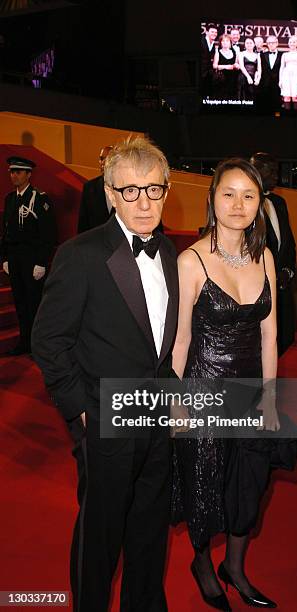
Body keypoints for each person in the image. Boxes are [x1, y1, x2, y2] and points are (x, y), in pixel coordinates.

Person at [31, 136, 179, 612]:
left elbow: (159, 345)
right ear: (112, 194)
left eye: (153, 189)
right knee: (100, 537)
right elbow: (49, 341)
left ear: (166, 190)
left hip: (157, 421)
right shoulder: (81, 255)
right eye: (130, 191)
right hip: (105, 419)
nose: (143, 202)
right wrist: (80, 412)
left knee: (150, 530)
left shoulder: (172, 253)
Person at [171, 158, 297, 611]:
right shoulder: (190, 260)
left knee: (250, 484)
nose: (238, 204)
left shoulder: (264, 256)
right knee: (204, 486)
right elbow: (181, 339)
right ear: (212, 199)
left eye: (249, 195)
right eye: (228, 193)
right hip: (203, 389)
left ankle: (237, 569)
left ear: (260, 204)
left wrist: (269, 397)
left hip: (249, 393)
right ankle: (204, 564)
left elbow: (270, 335)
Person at [0, 156, 56, 355]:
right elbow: (5, 231)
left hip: (32, 260)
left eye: (18, 172)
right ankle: (24, 343)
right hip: (14, 259)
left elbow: (48, 234)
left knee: (34, 304)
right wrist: (4, 257)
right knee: (20, 303)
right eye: (12, 172)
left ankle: (37, 346)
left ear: (28, 174)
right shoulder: (10, 198)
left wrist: (42, 262)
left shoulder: (40, 198)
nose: (14, 175)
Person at [250, 152, 296, 355]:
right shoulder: (246, 203)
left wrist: (288, 270)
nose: (276, 177)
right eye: (271, 171)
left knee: (285, 337)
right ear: (256, 171)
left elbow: (289, 242)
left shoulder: (279, 202)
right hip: (258, 287)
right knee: (259, 344)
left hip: (282, 284)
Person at [77, 145, 113, 233]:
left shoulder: (126, 186)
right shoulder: (89, 187)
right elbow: (83, 222)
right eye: (101, 158)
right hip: (96, 242)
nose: (103, 162)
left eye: (108, 159)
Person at [257, 36, 283, 113]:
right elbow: (259, 69)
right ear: (267, 44)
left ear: (277, 43)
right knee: (265, 106)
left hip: (277, 84)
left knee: (277, 106)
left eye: (273, 42)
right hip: (265, 83)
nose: (271, 44)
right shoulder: (262, 55)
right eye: (269, 43)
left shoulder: (282, 55)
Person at [279, 36, 297, 110]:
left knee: (295, 97)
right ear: (288, 43)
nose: (292, 44)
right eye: (290, 42)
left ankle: (295, 118)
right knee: (286, 97)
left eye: (294, 42)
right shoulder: (284, 55)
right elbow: (282, 67)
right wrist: (280, 80)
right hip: (286, 76)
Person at [213, 34, 238, 99]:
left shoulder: (234, 52)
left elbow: (236, 64)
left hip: (233, 78)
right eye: (223, 41)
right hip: (221, 77)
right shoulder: (218, 52)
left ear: (230, 43)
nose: (225, 43)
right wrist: (226, 66)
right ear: (220, 43)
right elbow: (214, 66)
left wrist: (236, 65)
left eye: (227, 41)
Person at [201, 23, 218, 97]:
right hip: (200, 72)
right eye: (212, 32)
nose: (214, 34)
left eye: (215, 32)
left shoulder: (214, 44)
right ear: (207, 32)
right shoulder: (201, 41)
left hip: (209, 74)